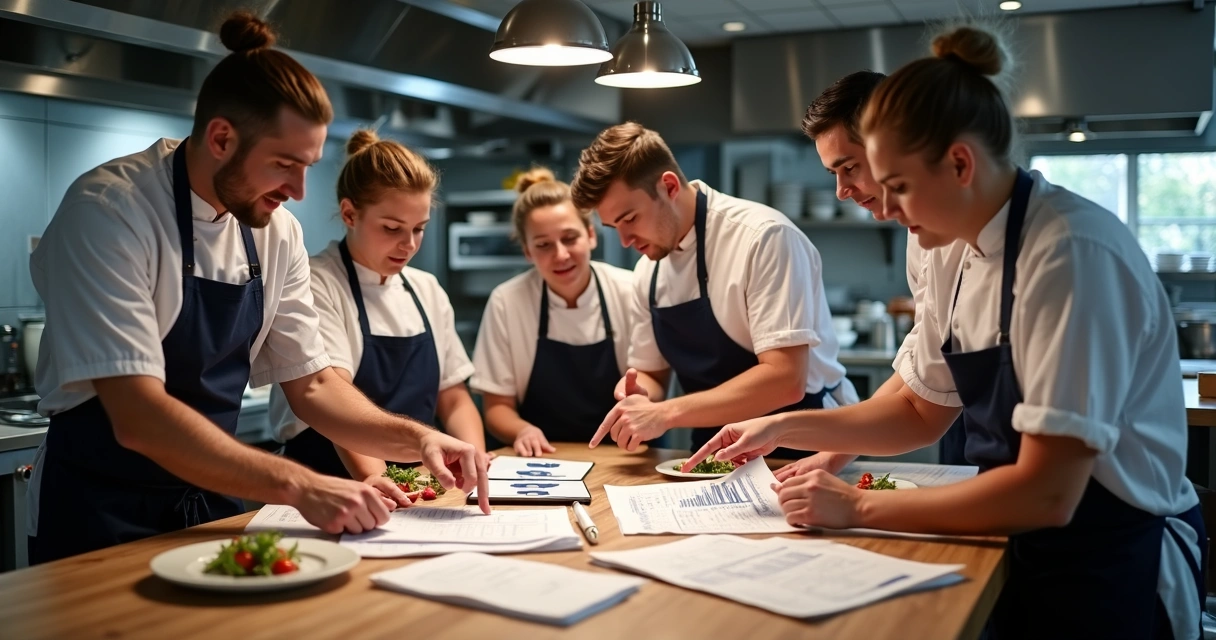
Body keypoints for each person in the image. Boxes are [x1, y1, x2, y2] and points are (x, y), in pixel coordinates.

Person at [687, 25, 1205, 639]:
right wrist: (782, 425)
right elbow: (919, 408)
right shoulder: (952, 246)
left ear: (960, 163)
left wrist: (857, 508)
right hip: (1014, 535)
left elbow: (1048, 493)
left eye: (898, 185)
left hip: (1109, 551)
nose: (889, 208)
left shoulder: (1069, 253)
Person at [26, 12, 488, 566]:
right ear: (221, 137)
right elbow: (139, 416)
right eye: (284, 165)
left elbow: (314, 385)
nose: (297, 190)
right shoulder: (109, 211)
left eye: (308, 167)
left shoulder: (276, 232)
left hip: (212, 507)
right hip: (101, 507)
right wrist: (299, 484)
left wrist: (417, 442)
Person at [570, 123, 858, 456]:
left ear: (668, 186)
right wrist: (639, 396)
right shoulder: (647, 271)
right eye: (613, 227)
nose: (624, 240)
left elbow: (786, 380)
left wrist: (665, 414)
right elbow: (651, 374)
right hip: (711, 453)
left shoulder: (763, 238)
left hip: (805, 447)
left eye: (630, 218)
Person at [777, 70, 967, 481]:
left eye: (850, 167)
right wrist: (830, 454)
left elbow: (922, 411)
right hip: (981, 448)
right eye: (834, 174)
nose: (842, 191)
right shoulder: (923, 237)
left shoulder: (1051, 250)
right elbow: (920, 375)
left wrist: (783, 428)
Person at [270, 130, 484, 493]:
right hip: (332, 484)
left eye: (419, 229)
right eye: (392, 228)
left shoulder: (426, 288)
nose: (409, 244)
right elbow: (336, 400)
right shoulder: (317, 283)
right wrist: (381, 480)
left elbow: (453, 395)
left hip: (419, 484)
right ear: (350, 213)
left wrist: (475, 462)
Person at [471, 168, 634, 456]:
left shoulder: (630, 290)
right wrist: (522, 430)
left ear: (591, 235)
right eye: (543, 245)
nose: (560, 255)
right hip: (541, 458)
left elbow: (652, 381)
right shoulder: (507, 302)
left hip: (624, 455)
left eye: (570, 238)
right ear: (527, 252)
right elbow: (497, 408)